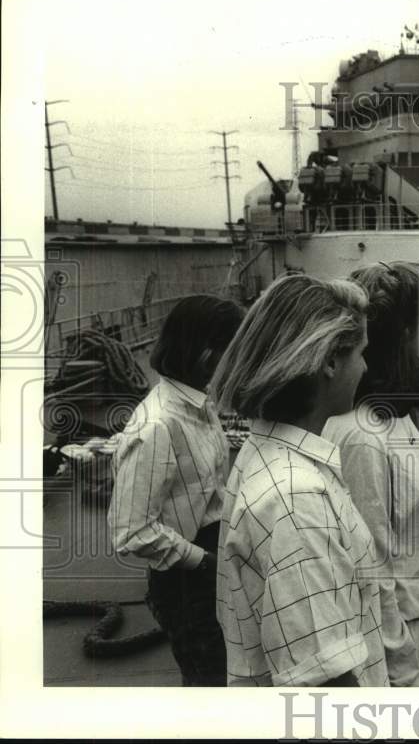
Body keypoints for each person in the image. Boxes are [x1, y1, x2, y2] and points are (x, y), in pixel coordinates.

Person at [212, 274, 406, 687]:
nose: (366, 367)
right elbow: (324, 683)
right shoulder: (296, 500)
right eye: (361, 353)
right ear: (330, 362)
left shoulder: (262, 456)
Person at [322, 262, 419, 686]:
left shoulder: (395, 415)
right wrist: (401, 668)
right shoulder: (363, 436)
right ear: (403, 335)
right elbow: (371, 570)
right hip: (414, 642)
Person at [108, 294, 244, 686]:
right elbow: (131, 531)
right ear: (206, 356)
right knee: (211, 684)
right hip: (188, 583)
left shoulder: (200, 406)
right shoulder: (158, 426)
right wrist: (204, 562)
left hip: (210, 559)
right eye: (233, 352)